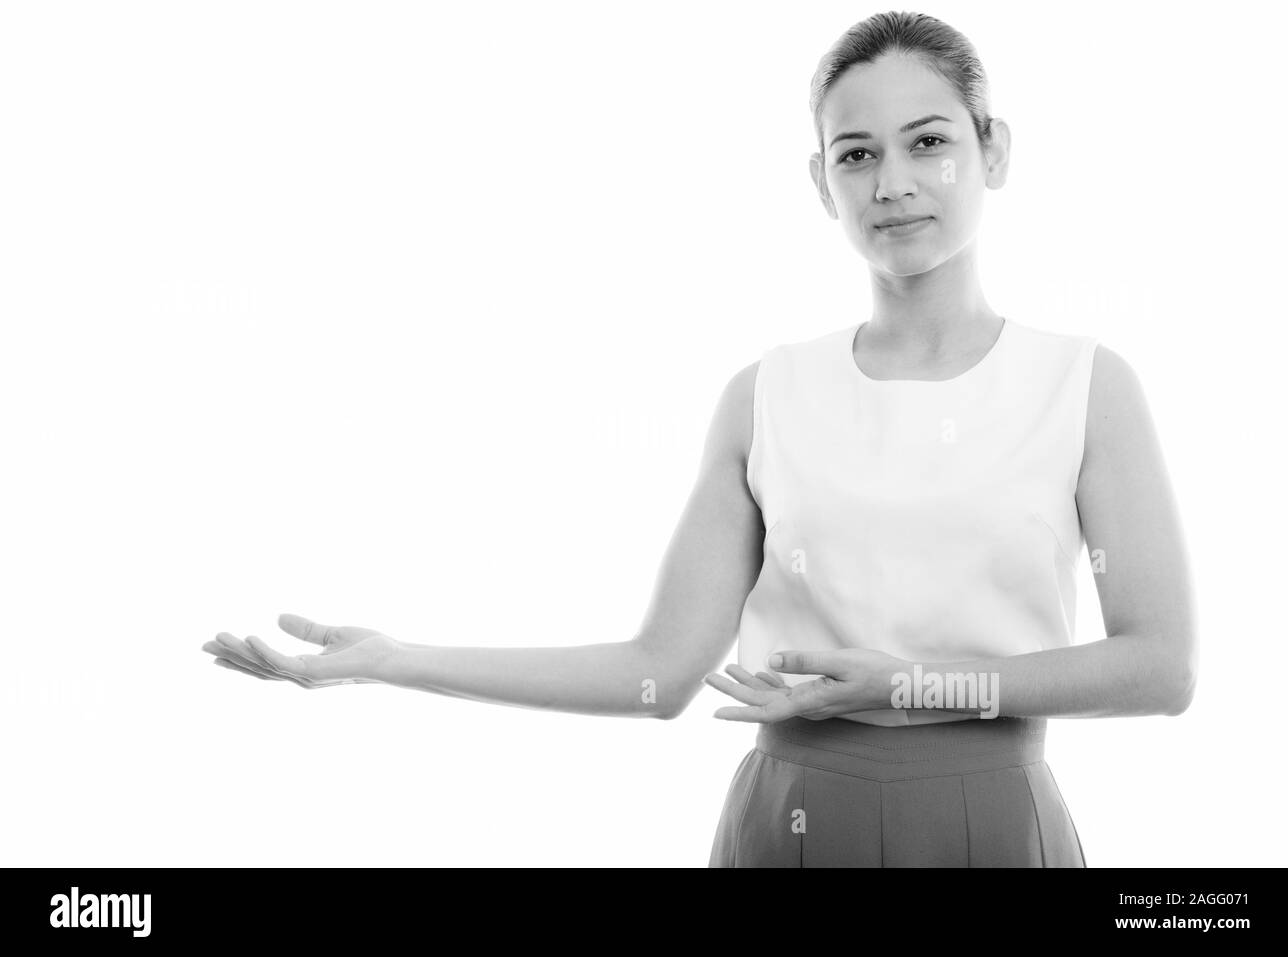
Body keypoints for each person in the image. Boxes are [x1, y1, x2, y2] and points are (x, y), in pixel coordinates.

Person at [201, 11, 1197, 867]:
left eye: (927, 141)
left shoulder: (1082, 384)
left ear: (995, 149)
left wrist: (911, 684)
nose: (892, 181)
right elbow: (657, 673)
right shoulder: (764, 395)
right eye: (857, 154)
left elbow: (1160, 668)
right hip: (789, 824)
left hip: (991, 825)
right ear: (822, 181)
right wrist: (393, 659)